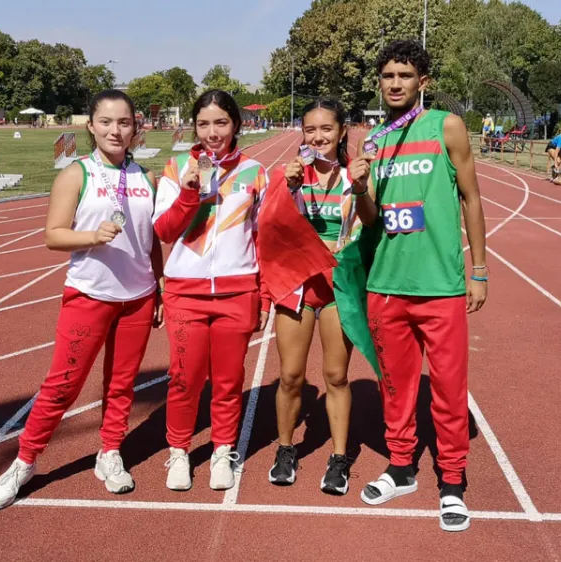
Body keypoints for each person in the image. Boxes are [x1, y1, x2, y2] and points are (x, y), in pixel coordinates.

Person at [0, 89, 164, 510]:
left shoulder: (146, 178)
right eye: (106, 122)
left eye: (124, 122)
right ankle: (24, 462)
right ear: (91, 125)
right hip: (90, 294)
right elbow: (53, 235)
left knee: (122, 385)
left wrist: (159, 287)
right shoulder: (76, 174)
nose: (116, 130)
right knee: (62, 385)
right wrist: (92, 236)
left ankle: (110, 452)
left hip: (137, 297)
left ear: (135, 126)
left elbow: (151, 241)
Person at [353, 39, 487, 532]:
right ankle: (402, 466)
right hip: (386, 285)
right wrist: (361, 187)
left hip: (440, 287)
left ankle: (452, 481)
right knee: (397, 388)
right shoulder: (374, 140)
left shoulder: (445, 127)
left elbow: (471, 199)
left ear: (422, 82)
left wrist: (479, 270)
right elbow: (370, 221)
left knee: (450, 391)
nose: (394, 84)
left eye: (404, 76)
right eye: (387, 76)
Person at [153, 89, 270, 492]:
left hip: (238, 292)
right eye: (204, 124)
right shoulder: (175, 168)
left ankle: (223, 449)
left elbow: (263, 239)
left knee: (227, 379)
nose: (212, 132)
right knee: (184, 378)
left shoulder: (255, 172)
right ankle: (180, 451)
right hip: (186, 292)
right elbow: (165, 231)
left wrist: (264, 295)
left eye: (221, 122)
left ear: (236, 124)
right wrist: (189, 191)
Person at [261, 99, 364, 495]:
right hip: (298, 286)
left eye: (326, 129)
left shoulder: (355, 175)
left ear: (342, 132)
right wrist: (286, 188)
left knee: (336, 376)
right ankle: (286, 449)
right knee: (290, 376)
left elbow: (368, 225)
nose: (318, 137)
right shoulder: (288, 176)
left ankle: (339, 457)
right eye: (310, 130)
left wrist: (360, 191)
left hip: (338, 287)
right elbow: (269, 227)